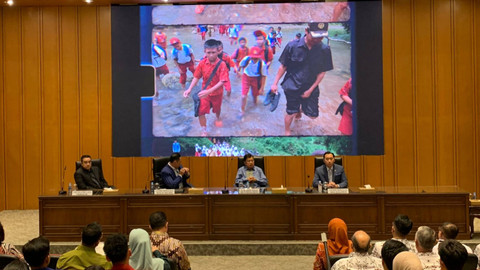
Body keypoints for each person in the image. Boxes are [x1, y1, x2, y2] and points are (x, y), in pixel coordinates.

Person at [270, 22, 333, 136]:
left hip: (310, 86)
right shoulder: (292, 46)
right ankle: (287, 131)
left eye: (321, 36)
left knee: (313, 115)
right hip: (292, 85)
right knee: (291, 112)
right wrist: (274, 84)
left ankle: (300, 108)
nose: (318, 39)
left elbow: (322, 72)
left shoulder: (324, 49)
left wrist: (310, 90)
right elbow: (283, 66)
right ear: (306, 31)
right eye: (315, 36)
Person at [183, 39, 229, 136]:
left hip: (217, 93)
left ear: (218, 51)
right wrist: (189, 89)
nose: (211, 55)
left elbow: (222, 81)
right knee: (200, 111)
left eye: (213, 52)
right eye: (209, 52)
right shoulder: (202, 63)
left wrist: (209, 91)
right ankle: (204, 130)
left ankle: (218, 117)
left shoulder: (222, 64)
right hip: (204, 93)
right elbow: (196, 77)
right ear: (205, 52)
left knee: (217, 109)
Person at [238, 46, 268, 118]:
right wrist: (238, 72)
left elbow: (264, 76)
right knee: (243, 95)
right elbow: (240, 65)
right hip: (246, 77)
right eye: (253, 57)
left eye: (256, 58)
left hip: (256, 78)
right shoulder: (246, 59)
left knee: (255, 95)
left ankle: (255, 105)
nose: (254, 59)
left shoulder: (262, 64)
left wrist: (261, 88)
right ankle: (242, 110)